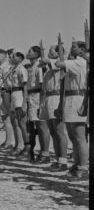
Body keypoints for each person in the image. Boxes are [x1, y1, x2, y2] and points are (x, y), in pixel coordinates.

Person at [51, 40, 89, 181]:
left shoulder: (79, 62)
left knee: (80, 137)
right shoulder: (75, 62)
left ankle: (84, 168)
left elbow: (58, 64)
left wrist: (62, 55)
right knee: (73, 137)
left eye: (74, 47)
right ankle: (77, 164)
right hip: (70, 99)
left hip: (78, 99)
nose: (71, 49)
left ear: (81, 50)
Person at [39, 44, 68, 172]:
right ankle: (57, 159)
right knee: (52, 131)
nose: (49, 53)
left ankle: (63, 160)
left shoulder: (60, 63)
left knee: (59, 131)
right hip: (47, 98)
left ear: (58, 53)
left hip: (56, 98)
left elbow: (46, 61)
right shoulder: (49, 68)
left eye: (51, 51)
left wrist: (42, 52)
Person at [26, 46, 50, 164]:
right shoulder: (32, 67)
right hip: (31, 97)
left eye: (30, 51)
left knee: (42, 126)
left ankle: (45, 153)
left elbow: (41, 85)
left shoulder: (39, 67)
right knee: (34, 127)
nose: (28, 53)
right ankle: (40, 152)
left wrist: (41, 102)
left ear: (36, 54)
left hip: (37, 97)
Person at [8, 50, 29, 157]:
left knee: (22, 123)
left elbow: (25, 85)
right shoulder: (14, 69)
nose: (11, 58)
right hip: (14, 95)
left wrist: (24, 101)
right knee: (15, 122)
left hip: (19, 95)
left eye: (14, 57)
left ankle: (26, 147)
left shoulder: (22, 69)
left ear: (20, 58)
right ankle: (18, 145)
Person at [0, 49, 15, 149]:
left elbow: (8, 83)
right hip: (0, 93)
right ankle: (7, 140)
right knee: (5, 119)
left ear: (3, 56)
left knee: (7, 119)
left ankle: (9, 142)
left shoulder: (6, 67)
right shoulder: (1, 67)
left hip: (4, 93)